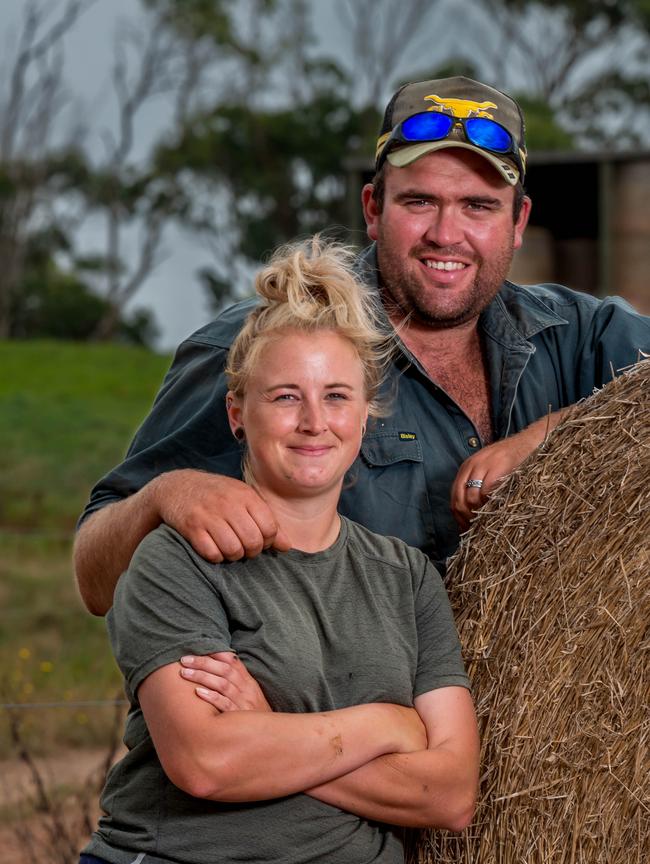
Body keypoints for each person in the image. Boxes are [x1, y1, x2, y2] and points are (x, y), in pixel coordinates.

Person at [74, 76, 650, 615]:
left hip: (517, 714)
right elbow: (94, 578)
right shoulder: (266, 347)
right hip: (331, 715)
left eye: (478, 206)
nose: (446, 235)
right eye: (419, 202)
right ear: (373, 209)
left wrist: (552, 439)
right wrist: (166, 495)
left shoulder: (577, 334)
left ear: (518, 221)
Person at [77, 239, 479, 864]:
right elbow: (207, 764)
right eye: (286, 396)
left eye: (338, 396)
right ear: (238, 414)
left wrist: (267, 721)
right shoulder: (175, 561)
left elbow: (450, 794)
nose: (315, 421)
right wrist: (384, 727)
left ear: (367, 414)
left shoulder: (408, 579)